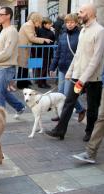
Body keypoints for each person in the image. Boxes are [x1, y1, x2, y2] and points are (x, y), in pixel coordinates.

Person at [45, 4, 104, 142]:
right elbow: (77, 54)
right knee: (68, 102)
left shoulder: (99, 31)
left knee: (92, 107)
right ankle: (60, 130)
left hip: (92, 78)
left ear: (89, 13)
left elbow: (96, 59)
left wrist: (83, 79)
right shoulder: (83, 30)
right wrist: (70, 71)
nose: (79, 14)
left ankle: (90, 132)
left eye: (81, 12)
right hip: (77, 76)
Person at [0, 7, 25, 117]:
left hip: (6, 68)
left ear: (8, 16)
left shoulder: (11, 31)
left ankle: (0, 119)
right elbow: (0, 48)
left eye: (1, 14)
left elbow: (7, 52)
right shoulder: (4, 30)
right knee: (3, 92)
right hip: (1, 67)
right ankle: (20, 107)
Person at [49, 13, 86, 122]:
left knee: (67, 94)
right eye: (67, 22)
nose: (69, 24)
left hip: (73, 69)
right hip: (62, 67)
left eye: (72, 22)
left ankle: (75, 112)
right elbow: (58, 52)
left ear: (76, 23)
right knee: (60, 93)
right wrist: (52, 67)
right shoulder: (63, 35)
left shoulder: (80, 35)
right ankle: (65, 113)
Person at [17, 12, 53, 89]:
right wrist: (44, 40)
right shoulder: (28, 25)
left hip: (26, 48)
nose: (40, 24)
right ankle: (21, 84)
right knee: (23, 66)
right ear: (36, 20)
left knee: (25, 66)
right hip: (24, 48)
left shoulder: (30, 25)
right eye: (39, 22)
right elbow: (31, 38)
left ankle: (24, 82)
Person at [34, 17, 55, 89]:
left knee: (45, 68)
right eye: (49, 24)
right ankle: (41, 82)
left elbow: (52, 39)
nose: (50, 25)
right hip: (42, 52)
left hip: (46, 52)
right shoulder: (40, 31)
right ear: (44, 24)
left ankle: (43, 82)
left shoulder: (48, 31)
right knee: (42, 68)